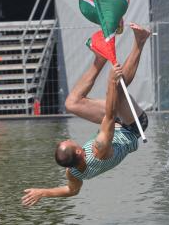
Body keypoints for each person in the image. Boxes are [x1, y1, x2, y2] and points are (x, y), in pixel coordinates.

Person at [21, 23, 151, 207]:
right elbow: (110, 113)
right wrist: (111, 80)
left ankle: (100, 59)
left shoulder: (73, 172)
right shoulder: (100, 148)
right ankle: (140, 40)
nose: (68, 138)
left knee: (71, 103)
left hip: (115, 124)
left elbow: (72, 190)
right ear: (79, 151)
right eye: (68, 142)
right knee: (117, 91)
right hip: (133, 126)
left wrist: (43, 192)